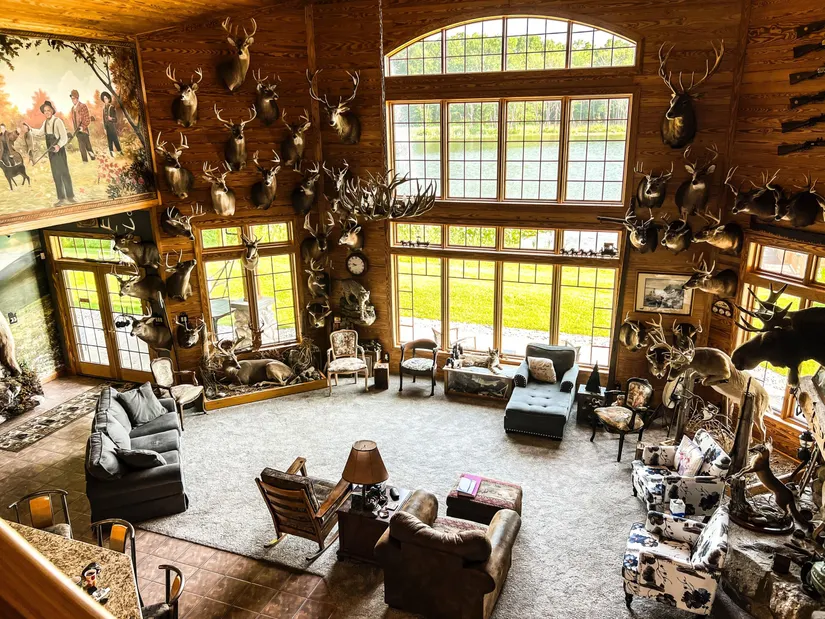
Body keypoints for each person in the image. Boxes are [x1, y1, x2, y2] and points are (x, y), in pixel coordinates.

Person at [23, 101, 76, 206]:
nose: (47, 112)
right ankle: (61, 198)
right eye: (45, 111)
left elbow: (64, 137)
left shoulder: (58, 121)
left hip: (59, 151)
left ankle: (70, 197)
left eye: (48, 110)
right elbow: (39, 133)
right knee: (56, 174)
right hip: (51, 152)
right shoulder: (45, 123)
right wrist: (30, 129)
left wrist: (58, 146)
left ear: (52, 111)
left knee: (64, 173)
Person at [69, 89, 96, 163]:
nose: (73, 100)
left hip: (84, 131)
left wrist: (83, 127)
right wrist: (76, 130)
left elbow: (87, 119)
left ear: (77, 98)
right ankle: (85, 161)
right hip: (77, 131)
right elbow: (74, 121)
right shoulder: (72, 109)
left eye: (74, 98)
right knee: (81, 147)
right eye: (72, 98)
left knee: (88, 146)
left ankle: (93, 159)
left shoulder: (83, 106)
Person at [100, 92, 122, 157]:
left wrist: (111, 118)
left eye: (106, 98)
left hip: (112, 127)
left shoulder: (112, 107)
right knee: (109, 140)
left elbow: (116, 119)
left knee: (115, 139)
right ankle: (111, 153)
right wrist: (104, 128)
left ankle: (120, 151)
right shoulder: (103, 109)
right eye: (104, 99)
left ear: (109, 99)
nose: (105, 100)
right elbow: (104, 120)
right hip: (107, 127)